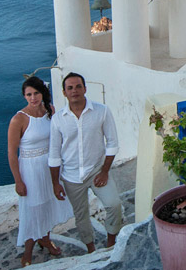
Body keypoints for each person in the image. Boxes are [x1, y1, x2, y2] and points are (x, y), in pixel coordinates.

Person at [49, 72, 122, 253]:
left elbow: (112, 143)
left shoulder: (101, 111)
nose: (75, 91)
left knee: (114, 204)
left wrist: (104, 171)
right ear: (64, 92)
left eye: (78, 86)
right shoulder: (58, 119)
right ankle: (90, 249)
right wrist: (55, 182)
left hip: (97, 170)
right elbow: (54, 154)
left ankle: (111, 243)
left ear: (85, 89)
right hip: (71, 176)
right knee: (81, 216)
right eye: (70, 88)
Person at [7, 76, 73, 267]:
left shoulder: (50, 110)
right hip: (30, 170)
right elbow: (12, 153)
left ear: (42, 92)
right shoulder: (19, 119)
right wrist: (18, 181)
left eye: (36, 93)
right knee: (33, 208)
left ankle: (45, 239)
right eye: (29, 94)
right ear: (24, 96)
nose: (33, 98)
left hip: (49, 167)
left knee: (47, 204)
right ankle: (28, 252)